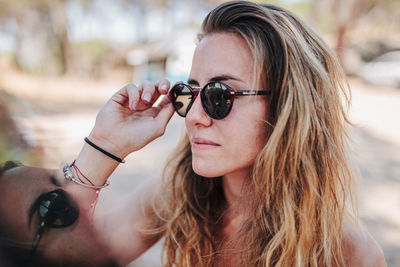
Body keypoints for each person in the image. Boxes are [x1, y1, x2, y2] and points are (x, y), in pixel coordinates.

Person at [0, 1, 386, 266]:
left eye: (220, 95)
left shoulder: (348, 252)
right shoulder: (177, 194)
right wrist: (104, 148)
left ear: (289, 105)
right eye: (189, 92)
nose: (194, 116)